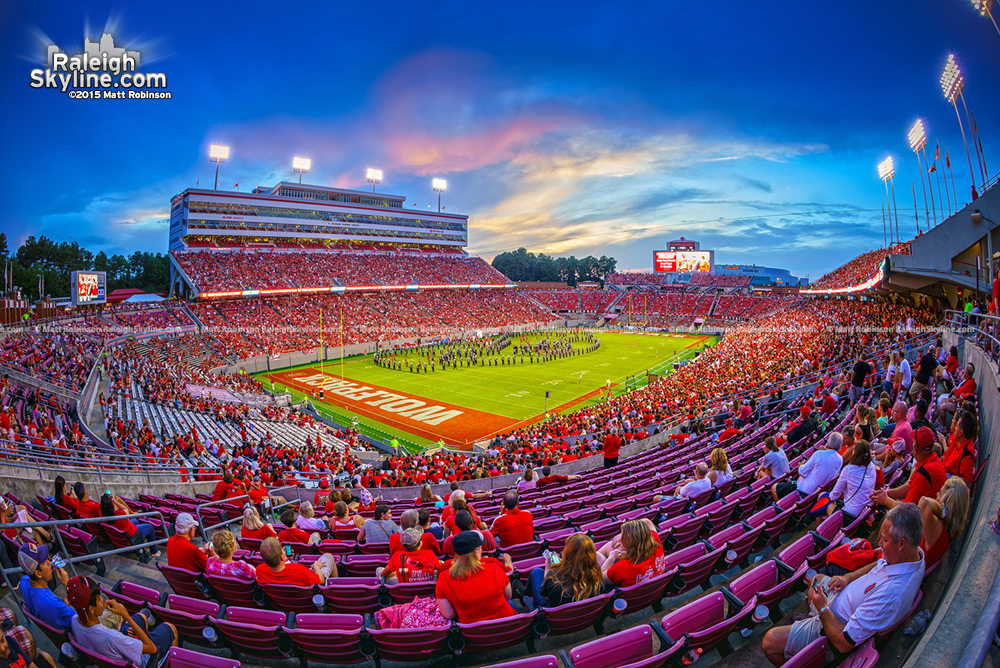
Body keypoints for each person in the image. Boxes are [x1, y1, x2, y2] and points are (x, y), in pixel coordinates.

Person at [761, 503, 925, 665]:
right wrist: (847, 578)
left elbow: (843, 642)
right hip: (837, 604)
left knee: (770, 642)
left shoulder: (890, 594)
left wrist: (823, 609)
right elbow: (879, 563)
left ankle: (808, 658)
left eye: (885, 539)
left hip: (833, 633)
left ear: (901, 543)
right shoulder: (912, 555)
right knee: (816, 580)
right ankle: (812, 617)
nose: (880, 544)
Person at [66, 576, 178, 668]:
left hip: (115, 652)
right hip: (142, 661)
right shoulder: (112, 637)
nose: (101, 599)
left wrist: (118, 631)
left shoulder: (74, 621)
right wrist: (126, 615)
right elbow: (152, 649)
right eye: (98, 598)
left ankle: (145, 635)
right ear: (91, 609)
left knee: (141, 617)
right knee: (170, 627)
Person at [435, 532, 515, 624]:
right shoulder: (495, 568)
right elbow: (508, 597)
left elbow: (449, 614)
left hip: (473, 635)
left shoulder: (444, 578)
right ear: (476, 551)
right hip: (508, 627)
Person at [528, 533, 606, 609]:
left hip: (554, 616)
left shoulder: (555, 576)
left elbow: (545, 596)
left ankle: (524, 594)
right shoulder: (597, 573)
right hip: (586, 615)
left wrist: (548, 568)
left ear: (568, 553)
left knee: (536, 572)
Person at [874, 427, 946, 508]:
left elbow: (907, 509)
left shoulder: (923, 473)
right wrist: (887, 493)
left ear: (916, 449)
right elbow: (909, 486)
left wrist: (886, 500)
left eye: (913, 442)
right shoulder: (931, 459)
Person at [17, 544, 74, 632]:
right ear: (38, 574)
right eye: (45, 562)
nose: (49, 562)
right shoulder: (55, 605)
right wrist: (68, 585)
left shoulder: (23, 581)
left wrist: (65, 601)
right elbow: (84, 621)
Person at [772, 434, 843, 502]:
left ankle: (782, 508)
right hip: (815, 494)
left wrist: (801, 465)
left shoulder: (819, 454)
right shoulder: (840, 459)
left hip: (802, 491)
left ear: (828, 442)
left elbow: (802, 472)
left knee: (774, 487)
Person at [918, 477, 970, 567]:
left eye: (940, 494)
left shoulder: (937, 527)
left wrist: (943, 512)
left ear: (946, 500)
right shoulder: (944, 531)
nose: (936, 494)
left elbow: (924, 502)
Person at [600, 519, 666, 587]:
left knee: (598, 556)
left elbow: (600, 578)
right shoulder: (655, 542)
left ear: (632, 544)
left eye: (623, 538)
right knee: (610, 546)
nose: (620, 540)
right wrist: (621, 535)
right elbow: (647, 521)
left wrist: (611, 557)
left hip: (625, 593)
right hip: (651, 588)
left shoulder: (623, 566)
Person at [255, 537, 337, 585]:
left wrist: (284, 559)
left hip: (282, 603)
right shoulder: (299, 570)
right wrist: (317, 567)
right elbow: (320, 580)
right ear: (281, 557)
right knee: (328, 556)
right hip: (307, 603)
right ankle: (336, 587)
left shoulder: (259, 570)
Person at [827, 440, 876, 520]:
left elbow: (835, 494)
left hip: (849, 515)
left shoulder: (848, 470)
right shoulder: (871, 466)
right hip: (863, 512)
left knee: (823, 498)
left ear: (855, 453)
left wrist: (829, 498)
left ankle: (820, 530)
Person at [942, 411, 978, 485]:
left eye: (957, 426)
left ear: (960, 433)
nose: (955, 427)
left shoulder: (967, 454)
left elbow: (967, 483)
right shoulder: (957, 442)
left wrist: (947, 476)